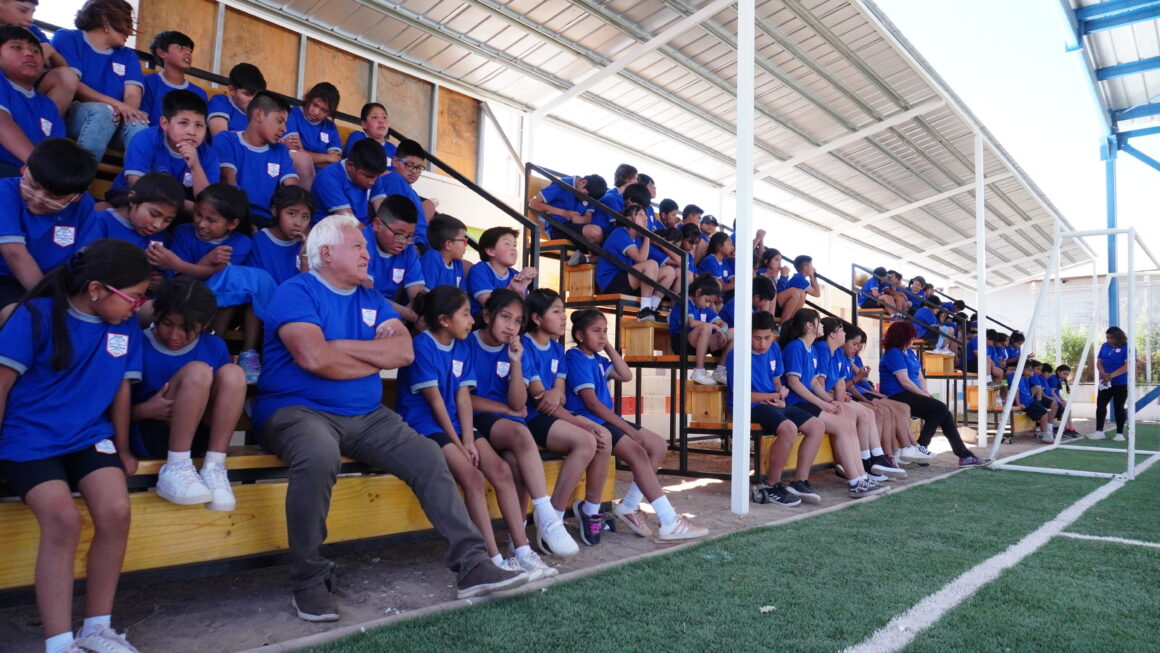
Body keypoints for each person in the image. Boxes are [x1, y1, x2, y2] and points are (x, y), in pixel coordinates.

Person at [253, 214, 524, 621]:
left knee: (429, 456)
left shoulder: (370, 298)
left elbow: (403, 353)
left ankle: (472, 565)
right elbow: (313, 358)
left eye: (365, 246)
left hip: (367, 415)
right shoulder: (296, 292)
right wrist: (363, 354)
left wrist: (337, 348)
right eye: (358, 247)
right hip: (297, 411)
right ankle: (308, 580)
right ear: (326, 253)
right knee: (319, 456)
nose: (367, 253)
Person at [0, 238, 150, 653]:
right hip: (29, 439)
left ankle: (97, 629)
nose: (138, 307)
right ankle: (60, 643)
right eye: (133, 298)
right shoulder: (35, 315)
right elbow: (2, 384)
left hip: (88, 436)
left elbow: (122, 390)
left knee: (117, 511)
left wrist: (122, 448)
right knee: (63, 521)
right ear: (97, 289)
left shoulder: (125, 328)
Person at [398, 285, 569, 581]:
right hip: (425, 425)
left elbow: (462, 398)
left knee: (502, 470)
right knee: (474, 477)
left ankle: (524, 551)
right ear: (444, 319)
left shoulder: (461, 346)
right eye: (465, 314)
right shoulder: (422, 345)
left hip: (455, 424)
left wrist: (469, 438)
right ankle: (493, 558)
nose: (471, 320)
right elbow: (436, 402)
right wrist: (459, 442)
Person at [565, 309, 708, 541]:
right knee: (638, 452)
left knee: (659, 445)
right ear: (580, 335)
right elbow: (591, 404)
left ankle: (629, 505)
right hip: (589, 420)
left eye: (604, 331)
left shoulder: (599, 359)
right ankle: (669, 519)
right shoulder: (575, 357)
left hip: (605, 418)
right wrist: (628, 429)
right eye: (596, 331)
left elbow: (625, 375)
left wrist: (608, 347)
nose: (602, 336)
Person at [466, 289, 580, 560]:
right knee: (520, 431)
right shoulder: (468, 344)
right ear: (486, 316)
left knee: (518, 464)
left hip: (504, 420)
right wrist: (506, 409)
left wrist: (515, 363)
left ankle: (519, 547)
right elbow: (466, 399)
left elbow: (517, 404)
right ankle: (547, 516)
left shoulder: (518, 350)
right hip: (473, 418)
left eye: (517, 321)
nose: (511, 326)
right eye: (505, 317)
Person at [131, 276, 243, 510]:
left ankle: (215, 467)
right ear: (156, 315)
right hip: (151, 433)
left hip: (199, 436)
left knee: (234, 373)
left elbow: (215, 409)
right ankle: (176, 465)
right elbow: (112, 405)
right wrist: (144, 410)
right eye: (167, 323)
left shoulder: (214, 346)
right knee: (198, 371)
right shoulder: (138, 343)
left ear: (205, 324)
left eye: (187, 329)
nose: (174, 335)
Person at [146, 183, 276, 383]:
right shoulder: (183, 232)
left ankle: (247, 352)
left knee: (251, 280)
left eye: (211, 220)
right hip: (185, 294)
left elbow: (221, 276)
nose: (201, 224)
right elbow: (181, 282)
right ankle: (211, 340)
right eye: (198, 214)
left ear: (232, 224)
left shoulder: (242, 242)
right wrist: (197, 263)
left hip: (218, 295)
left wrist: (177, 263)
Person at [522, 288, 612, 545]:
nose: (564, 317)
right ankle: (554, 519)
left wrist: (554, 397)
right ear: (537, 318)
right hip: (532, 418)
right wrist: (575, 420)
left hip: (556, 413)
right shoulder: (526, 345)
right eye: (556, 311)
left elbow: (558, 396)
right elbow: (540, 400)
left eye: (563, 311)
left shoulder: (557, 349)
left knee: (602, 435)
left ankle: (590, 510)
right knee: (587, 440)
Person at [778, 309, 885, 498]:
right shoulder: (796, 347)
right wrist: (822, 403)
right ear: (808, 326)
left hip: (806, 401)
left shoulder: (808, 348)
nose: (822, 326)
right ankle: (855, 481)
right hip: (795, 403)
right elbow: (794, 383)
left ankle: (861, 476)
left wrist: (828, 400)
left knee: (847, 424)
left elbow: (811, 382)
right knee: (843, 426)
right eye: (819, 322)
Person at [731, 311, 826, 507]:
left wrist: (780, 396)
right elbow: (743, 396)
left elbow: (777, 381)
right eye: (757, 338)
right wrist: (775, 396)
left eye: (767, 337)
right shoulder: (738, 354)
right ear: (747, 334)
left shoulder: (774, 348)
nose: (762, 343)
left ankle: (799, 481)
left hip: (774, 402)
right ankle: (771, 485)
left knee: (816, 426)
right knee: (789, 428)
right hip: (750, 406)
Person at [0, 139, 97, 307]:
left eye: (53, 196)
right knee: (19, 317)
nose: (38, 199)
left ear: (76, 197)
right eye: (33, 186)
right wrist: (48, 303)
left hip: (55, 282)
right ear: (24, 169)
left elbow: (86, 257)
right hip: (6, 277)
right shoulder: (5, 191)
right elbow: (14, 253)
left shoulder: (84, 205)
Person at [879, 321, 991, 466]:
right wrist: (923, 394)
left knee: (943, 413)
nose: (912, 340)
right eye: (910, 337)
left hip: (912, 393)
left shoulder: (910, 353)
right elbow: (905, 382)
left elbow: (920, 376)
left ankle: (962, 455)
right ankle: (922, 447)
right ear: (902, 337)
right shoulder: (893, 353)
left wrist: (925, 392)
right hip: (897, 395)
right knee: (940, 408)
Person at [51, 0, 149, 163]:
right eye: (125, 21)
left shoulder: (127, 55)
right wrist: (116, 106)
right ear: (105, 19)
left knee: (138, 122)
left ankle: (138, 186)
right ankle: (77, 185)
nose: (130, 31)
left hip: (115, 118)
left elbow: (133, 94)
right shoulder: (68, 37)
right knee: (103, 113)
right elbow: (72, 83)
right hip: (75, 113)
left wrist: (126, 111)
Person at [815, 317, 904, 479]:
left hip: (833, 397)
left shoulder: (836, 353)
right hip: (821, 399)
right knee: (864, 414)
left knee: (868, 413)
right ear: (833, 335)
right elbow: (819, 386)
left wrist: (841, 398)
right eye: (841, 330)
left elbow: (840, 383)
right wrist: (835, 400)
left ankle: (875, 459)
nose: (844, 333)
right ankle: (865, 465)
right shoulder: (822, 347)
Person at [842, 325, 932, 466]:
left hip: (867, 393)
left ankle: (908, 448)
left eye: (861, 345)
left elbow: (863, 383)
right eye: (855, 344)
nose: (858, 348)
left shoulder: (855, 359)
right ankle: (889, 454)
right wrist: (867, 396)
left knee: (904, 408)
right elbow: (853, 384)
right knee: (887, 411)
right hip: (858, 396)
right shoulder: (843, 358)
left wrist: (875, 392)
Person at [109, 89, 218, 202]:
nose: (192, 132)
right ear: (165, 123)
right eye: (183, 123)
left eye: (199, 125)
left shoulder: (209, 154)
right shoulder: (145, 139)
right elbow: (136, 184)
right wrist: (178, 204)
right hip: (134, 200)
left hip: (180, 211)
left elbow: (206, 202)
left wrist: (195, 167)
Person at [213, 91, 299, 229]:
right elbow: (229, 182)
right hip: (233, 216)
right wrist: (246, 224)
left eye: (285, 123)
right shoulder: (227, 140)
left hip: (268, 223)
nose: (284, 129)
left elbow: (293, 190)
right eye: (279, 121)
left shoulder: (281, 150)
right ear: (258, 115)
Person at [0, 25, 65, 177]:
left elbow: (55, 151)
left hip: (33, 177)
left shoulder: (48, 105)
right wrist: (40, 169)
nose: (29, 53)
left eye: (36, 51)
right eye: (17, 47)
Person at [595, 204, 676, 322]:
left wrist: (646, 238)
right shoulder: (620, 232)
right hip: (611, 283)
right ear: (628, 219)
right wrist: (648, 236)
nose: (645, 218)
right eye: (640, 214)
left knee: (670, 271)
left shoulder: (638, 238)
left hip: (627, 280)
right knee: (651, 264)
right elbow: (641, 259)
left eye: (646, 215)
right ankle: (644, 310)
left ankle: (652, 308)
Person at [0, 0, 78, 115]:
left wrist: (49, 50)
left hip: (24, 88)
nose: (30, 18)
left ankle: (45, 125)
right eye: (23, 10)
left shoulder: (32, 31)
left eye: (32, 13)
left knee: (66, 76)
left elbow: (63, 67)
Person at [365, 194, 425, 324]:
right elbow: (367, 295)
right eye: (399, 234)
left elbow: (418, 296)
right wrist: (410, 315)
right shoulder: (361, 244)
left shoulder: (409, 250)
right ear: (377, 225)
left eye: (409, 235)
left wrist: (415, 311)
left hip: (393, 315)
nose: (403, 241)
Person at [310, 137, 390, 225]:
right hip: (331, 232)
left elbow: (383, 210)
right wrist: (372, 237)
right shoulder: (328, 178)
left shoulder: (372, 173)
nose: (372, 182)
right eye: (368, 176)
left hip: (361, 227)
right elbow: (348, 221)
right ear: (350, 166)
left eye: (376, 177)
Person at [668, 274, 728, 386]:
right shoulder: (685, 302)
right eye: (707, 300)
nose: (708, 305)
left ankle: (720, 370)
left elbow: (722, 323)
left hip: (699, 343)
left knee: (734, 334)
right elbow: (691, 322)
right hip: (681, 344)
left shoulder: (704, 308)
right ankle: (699, 371)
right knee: (706, 327)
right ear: (698, 292)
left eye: (710, 302)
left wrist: (723, 332)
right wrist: (714, 327)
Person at [246, 185, 313, 286]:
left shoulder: (306, 246)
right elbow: (255, 285)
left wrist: (305, 256)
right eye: (291, 214)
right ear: (275, 211)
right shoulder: (258, 242)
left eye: (305, 217)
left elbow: (307, 288)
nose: (298, 223)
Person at [527, 173, 599, 266]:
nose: (584, 200)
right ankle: (586, 260)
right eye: (584, 196)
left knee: (607, 245)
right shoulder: (562, 184)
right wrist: (565, 213)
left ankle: (585, 260)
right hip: (558, 227)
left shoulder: (591, 193)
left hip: (576, 227)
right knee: (595, 233)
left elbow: (587, 218)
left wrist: (580, 219)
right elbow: (533, 204)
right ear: (583, 182)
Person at [466, 226, 537, 318]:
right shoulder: (479, 270)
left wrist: (521, 292)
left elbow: (521, 310)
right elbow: (490, 305)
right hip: (482, 323)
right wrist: (511, 288)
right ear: (490, 250)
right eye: (507, 244)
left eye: (514, 245)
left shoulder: (516, 274)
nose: (513, 249)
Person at [140, 30, 207, 128]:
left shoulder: (200, 93)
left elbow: (201, 128)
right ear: (162, 53)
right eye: (180, 47)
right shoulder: (148, 83)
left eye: (190, 50)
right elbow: (140, 121)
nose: (188, 52)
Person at [283, 81, 342, 187]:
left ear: (330, 113)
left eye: (324, 110)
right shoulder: (294, 114)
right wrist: (327, 157)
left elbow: (335, 162)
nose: (316, 112)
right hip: (295, 175)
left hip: (323, 179)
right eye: (315, 105)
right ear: (308, 98)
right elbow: (296, 154)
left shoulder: (331, 127)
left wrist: (305, 153)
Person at [377, 138, 429, 245]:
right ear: (395, 161)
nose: (414, 171)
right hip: (410, 243)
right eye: (409, 165)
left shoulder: (409, 188)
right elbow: (396, 221)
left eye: (419, 168)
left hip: (418, 241)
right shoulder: (393, 180)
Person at [1091, 326, 1129, 441]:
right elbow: (1099, 362)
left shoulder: (1127, 347)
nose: (1108, 340)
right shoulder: (1104, 346)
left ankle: (1119, 433)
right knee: (1101, 405)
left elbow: (1126, 366)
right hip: (1105, 382)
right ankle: (1099, 431)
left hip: (1120, 383)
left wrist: (1111, 376)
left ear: (1118, 337)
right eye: (1107, 337)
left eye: (1111, 338)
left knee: (1119, 406)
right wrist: (1104, 374)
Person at [207, 62, 265, 135]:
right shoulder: (220, 102)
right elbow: (221, 138)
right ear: (232, 90)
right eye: (247, 94)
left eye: (258, 96)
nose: (253, 100)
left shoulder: (264, 111)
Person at [1008, 361, 1054, 444]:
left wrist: (1029, 375)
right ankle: (1044, 433)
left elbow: (1031, 389)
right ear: (1022, 368)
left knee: (1044, 412)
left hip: (1029, 400)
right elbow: (1015, 390)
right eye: (1029, 370)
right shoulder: (1014, 375)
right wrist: (1018, 403)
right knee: (1044, 413)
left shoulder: (1024, 377)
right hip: (1025, 403)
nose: (1031, 372)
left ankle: (1043, 431)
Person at [420, 213, 468, 290]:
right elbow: (426, 296)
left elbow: (462, 295)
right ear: (448, 244)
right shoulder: (432, 257)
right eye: (463, 240)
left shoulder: (458, 263)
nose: (466, 244)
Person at [342, 101, 395, 170]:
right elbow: (356, 166)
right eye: (375, 117)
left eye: (384, 117)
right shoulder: (357, 137)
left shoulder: (393, 149)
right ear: (364, 124)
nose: (381, 121)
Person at [779, 254, 820, 324]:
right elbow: (817, 293)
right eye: (811, 265)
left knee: (801, 293)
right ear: (805, 267)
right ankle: (784, 324)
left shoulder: (798, 277)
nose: (813, 268)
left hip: (785, 306)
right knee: (801, 292)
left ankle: (788, 324)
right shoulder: (800, 279)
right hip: (782, 308)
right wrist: (812, 276)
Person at [1043, 363, 1078, 438]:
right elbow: (1052, 392)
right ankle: (1068, 428)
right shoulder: (1053, 379)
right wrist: (1060, 401)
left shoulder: (1058, 379)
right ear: (1058, 371)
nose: (1065, 376)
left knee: (1067, 409)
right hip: (1050, 400)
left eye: (1067, 374)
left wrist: (1062, 400)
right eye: (1064, 373)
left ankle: (1069, 428)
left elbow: (1057, 393)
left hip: (1053, 400)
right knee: (1065, 410)